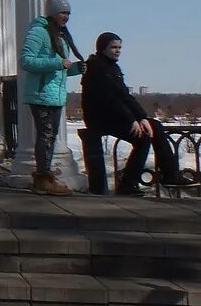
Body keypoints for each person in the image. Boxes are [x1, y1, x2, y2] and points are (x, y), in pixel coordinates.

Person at [81, 31, 189, 195]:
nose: (117, 51)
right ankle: (128, 184)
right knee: (142, 138)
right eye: (113, 47)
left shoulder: (112, 66)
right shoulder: (96, 68)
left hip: (115, 115)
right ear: (102, 48)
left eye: (119, 47)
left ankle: (170, 175)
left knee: (155, 126)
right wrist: (132, 120)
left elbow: (125, 95)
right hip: (100, 118)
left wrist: (142, 117)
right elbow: (110, 100)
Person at [20, 0, 84, 195]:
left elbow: (60, 69)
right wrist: (57, 63)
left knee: (50, 135)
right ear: (53, 13)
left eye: (68, 13)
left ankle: (44, 176)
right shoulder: (39, 32)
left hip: (53, 94)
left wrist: (75, 69)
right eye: (62, 13)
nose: (66, 17)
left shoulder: (59, 35)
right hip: (41, 93)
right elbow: (26, 61)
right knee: (46, 135)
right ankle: (43, 178)